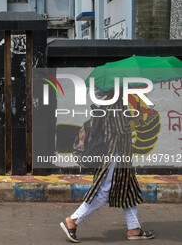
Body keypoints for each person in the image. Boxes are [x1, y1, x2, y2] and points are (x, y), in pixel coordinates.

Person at [60, 94, 155, 243]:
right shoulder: (115, 104)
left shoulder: (114, 102)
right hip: (113, 156)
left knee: (127, 190)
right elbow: (121, 129)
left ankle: (134, 229)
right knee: (103, 191)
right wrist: (136, 119)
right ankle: (73, 220)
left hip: (121, 156)